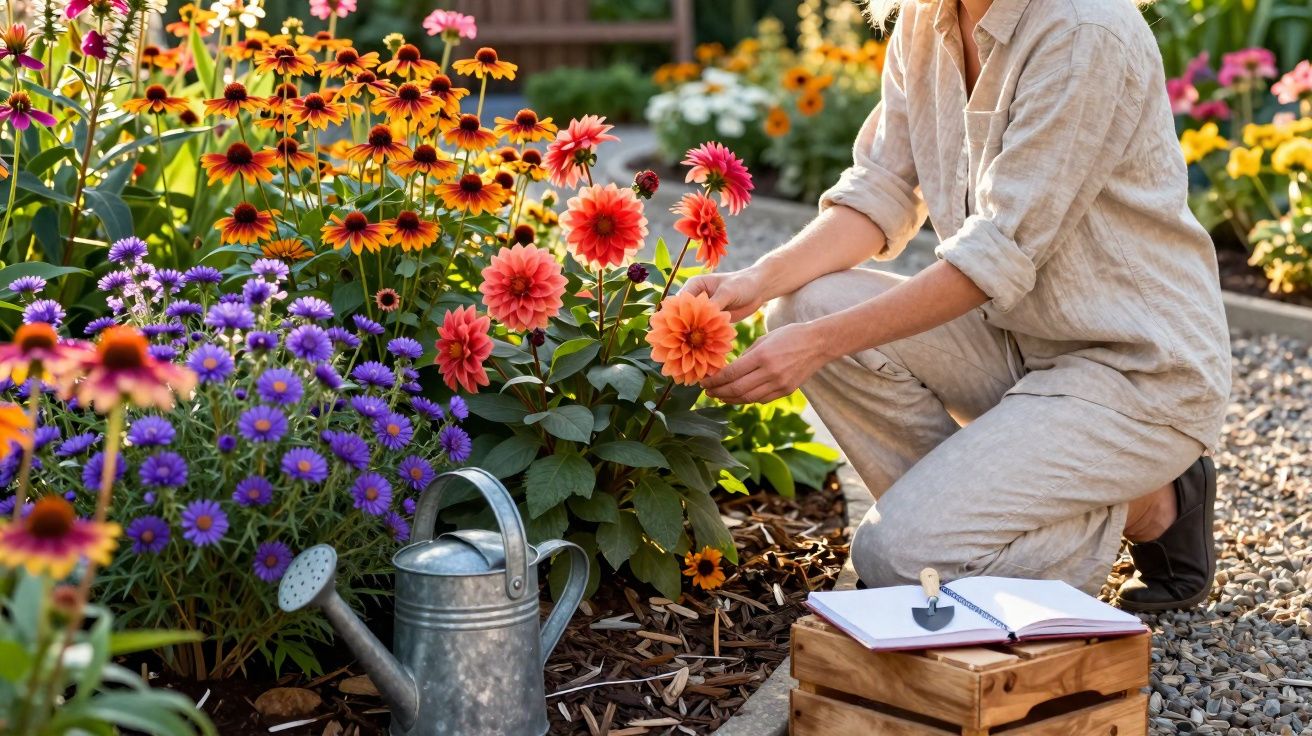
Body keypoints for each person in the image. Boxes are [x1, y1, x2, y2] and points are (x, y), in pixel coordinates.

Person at [685, 0, 1231, 610]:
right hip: (1018, 338)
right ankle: (988, 506)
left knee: (899, 562)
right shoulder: (927, 20)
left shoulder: (1086, 30)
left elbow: (994, 254)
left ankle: (1151, 505)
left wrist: (820, 345)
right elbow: (880, 191)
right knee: (802, 306)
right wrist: (755, 282)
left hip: (1135, 370)